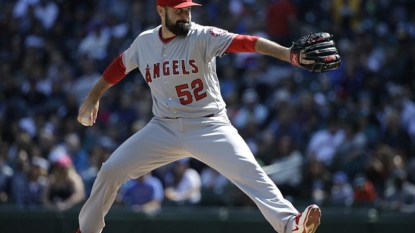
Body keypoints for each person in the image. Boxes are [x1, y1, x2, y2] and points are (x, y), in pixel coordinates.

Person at [75, 1, 321, 233]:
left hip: (209, 124)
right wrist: (93, 97)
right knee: (110, 170)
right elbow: (119, 66)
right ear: (162, 11)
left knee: (250, 172)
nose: (186, 16)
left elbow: (247, 42)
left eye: (188, 10)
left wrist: (288, 53)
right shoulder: (144, 43)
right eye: (179, 11)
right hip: (164, 127)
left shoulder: (201, 35)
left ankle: (291, 224)